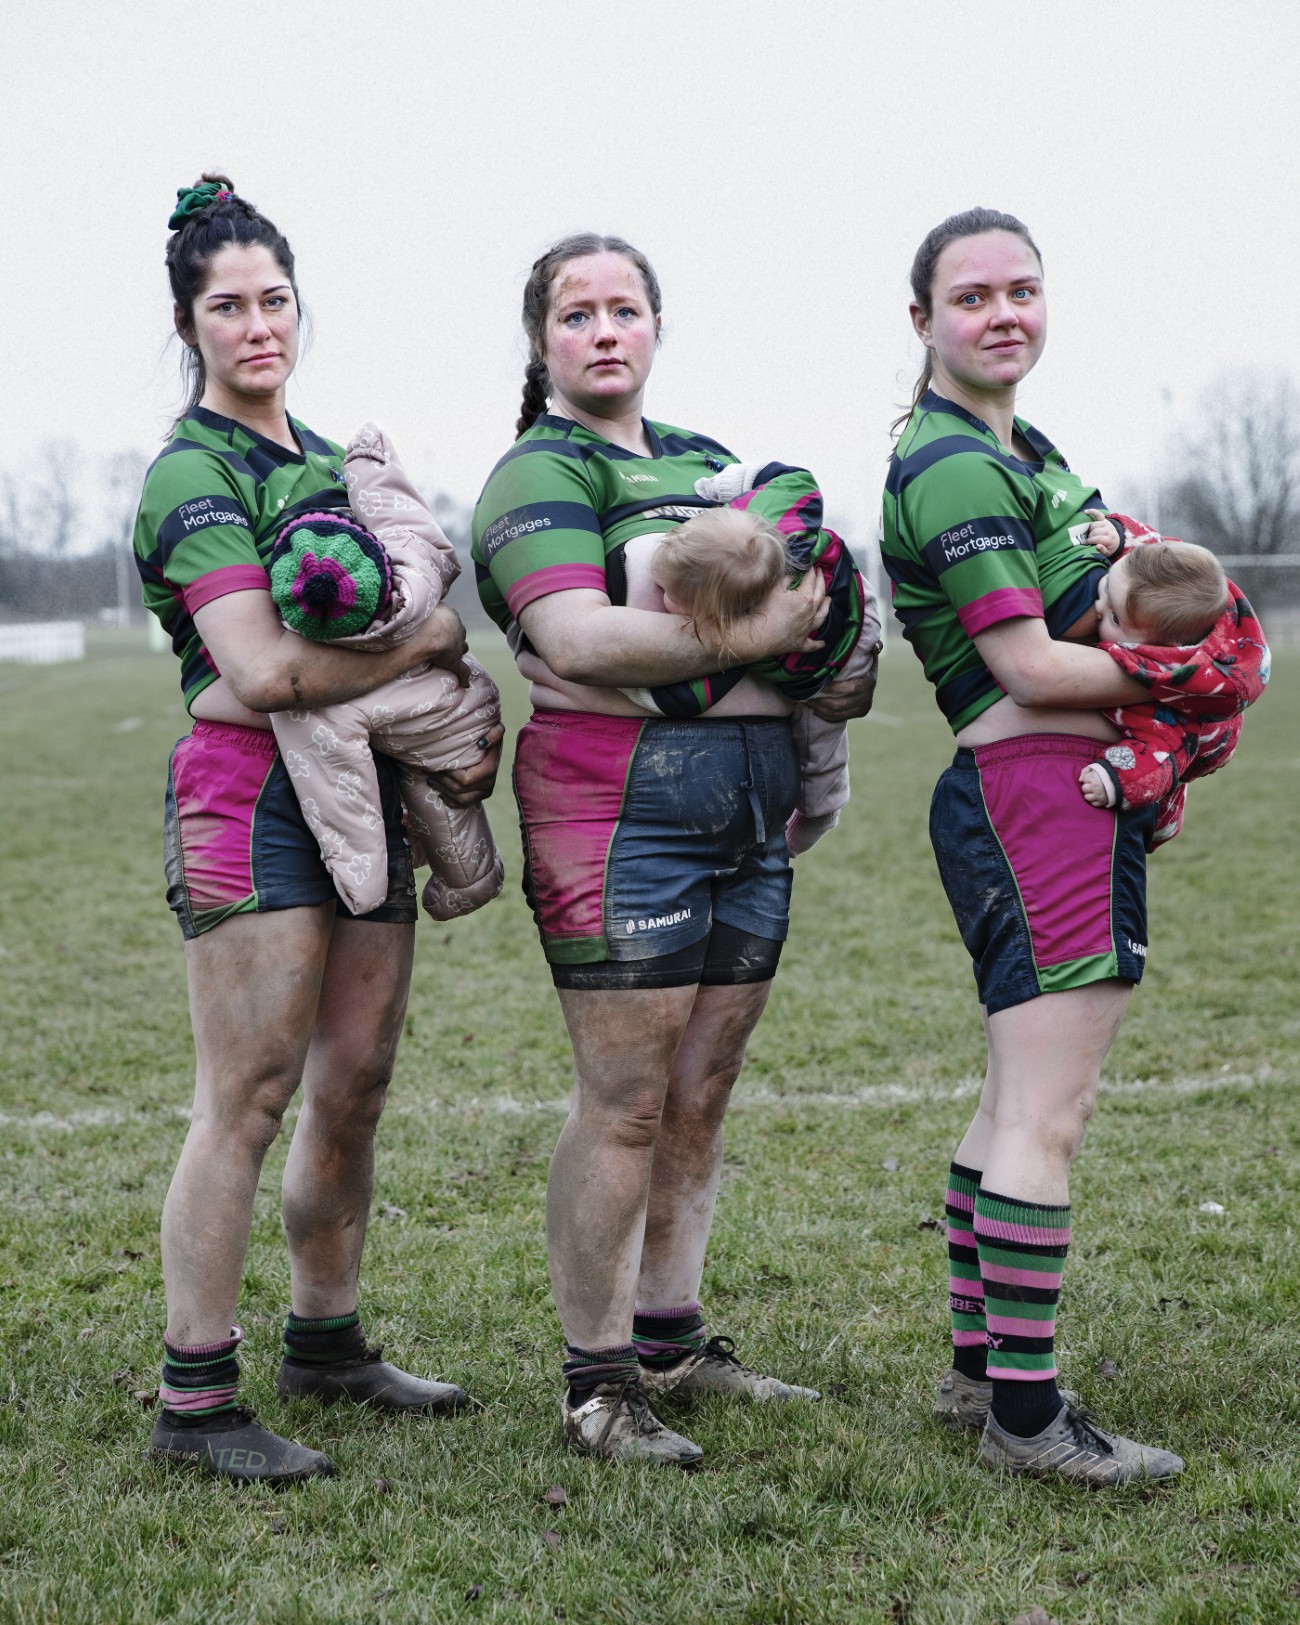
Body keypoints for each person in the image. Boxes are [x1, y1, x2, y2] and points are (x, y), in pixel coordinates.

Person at [472, 233, 878, 1466]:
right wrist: (768, 636)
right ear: (540, 339)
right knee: (628, 1102)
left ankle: (669, 1338)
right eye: (577, 313)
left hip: (752, 811)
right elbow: (580, 639)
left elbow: (823, 606)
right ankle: (596, 1385)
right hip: (619, 808)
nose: (605, 331)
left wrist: (812, 638)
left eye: (626, 309)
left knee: (700, 1092)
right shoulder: (533, 472)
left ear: (657, 326)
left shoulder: (712, 465)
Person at [134, 175, 502, 1484]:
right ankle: (194, 1397)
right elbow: (263, 671)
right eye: (226, 305)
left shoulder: (323, 460)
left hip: (363, 789)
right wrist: (429, 636)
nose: (255, 324)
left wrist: (399, 641)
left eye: (273, 297)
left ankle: (328, 1340)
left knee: (355, 1081)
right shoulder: (196, 468)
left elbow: (334, 638)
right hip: (248, 791)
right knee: (248, 1094)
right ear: (192, 323)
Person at [881, 207, 1185, 1485]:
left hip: (1039, 785)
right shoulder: (951, 459)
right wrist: (1183, 680)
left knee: (1013, 1096)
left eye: (1023, 289)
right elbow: (1021, 663)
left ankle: (978, 1375)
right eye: (972, 296)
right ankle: (1025, 1418)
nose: (1003, 313)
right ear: (923, 321)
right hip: (1037, 784)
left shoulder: (1030, 447)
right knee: (1045, 1113)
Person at [267, 421, 505, 919]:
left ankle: (470, 883)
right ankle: (464, 877)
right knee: (443, 812)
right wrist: (368, 460)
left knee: (442, 811)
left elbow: (339, 795)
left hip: (440, 735)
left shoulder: (327, 696)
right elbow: (403, 520)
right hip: (469, 702)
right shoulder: (412, 570)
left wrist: (362, 881)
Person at [614, 462, 882, 855]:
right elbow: (796, 479)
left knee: (820, 734)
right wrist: (718, 487)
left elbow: (678, 697)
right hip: (856, 587)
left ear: (717, 617)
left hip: (841, 653)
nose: (659, 593)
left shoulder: (740, 642)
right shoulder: (770, 533)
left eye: (669, 594)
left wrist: (624, 676)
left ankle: (821, 808)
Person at [1071, 515, 1268, 842]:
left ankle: (1161, 824)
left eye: (1115, 617)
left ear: (1159, 646)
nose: (1097, 606)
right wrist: (1118, 537)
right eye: (1105, 587)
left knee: (1162, 805)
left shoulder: (1172, 695)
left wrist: (1113, 779)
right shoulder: (1148, 583)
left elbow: (1161, 755)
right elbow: (1150, 546)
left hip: (1200, 738)